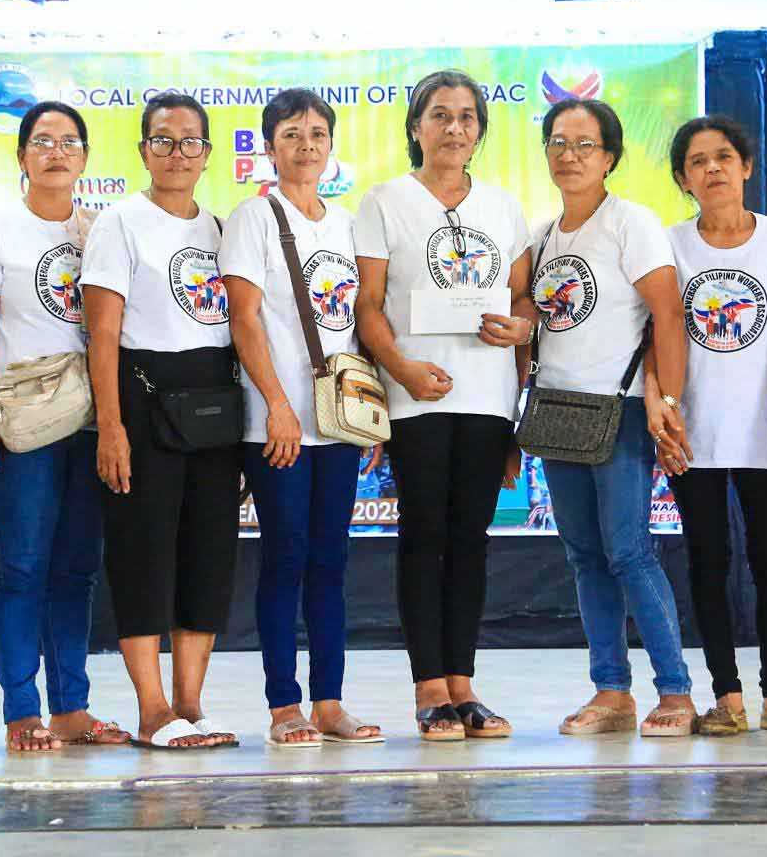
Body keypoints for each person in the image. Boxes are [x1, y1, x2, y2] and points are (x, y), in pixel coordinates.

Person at [354, 71, 534, 741]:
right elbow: (367, 305)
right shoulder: (384, 201)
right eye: (439, 115)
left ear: (480, 129)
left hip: (488, 398)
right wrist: (400, 369)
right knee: (424, 534)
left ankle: (463, 682)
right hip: (415, 396)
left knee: (470, 541)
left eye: (466, 116)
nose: (454, 127)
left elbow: (523, 300)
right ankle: (429, 686)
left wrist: (521, 327)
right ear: (416, 126)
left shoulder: (503, 206)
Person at [0, 101, 131, 753]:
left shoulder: (101, 230)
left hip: (92, 422)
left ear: (85, 157)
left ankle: (71, 709)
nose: (56, 152)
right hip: (24, 423)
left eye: (69, 142)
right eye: (42, 141)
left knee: (77, 569)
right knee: (23, 565)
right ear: (21, 156)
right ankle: (21, 711)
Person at [222, 89, 385, 748]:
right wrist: (277, 405)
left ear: (331, 145)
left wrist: (368, 414)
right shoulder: (254, 217)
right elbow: (244, 319)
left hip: (337, 423)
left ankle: (329, 701)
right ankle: (283, 704)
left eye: (317, 133)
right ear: (269, 147)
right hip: (277, 423)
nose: (306, 145)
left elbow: (360, 320)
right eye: (291, 134)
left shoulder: (347, 224)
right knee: (285, 557)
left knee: (330, 561)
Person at [530, 97, 696, 738]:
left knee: (629, 552)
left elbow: (669, 314)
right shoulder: (544, 235)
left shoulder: (632, 222)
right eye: (558, 142)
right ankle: (611, 690)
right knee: (584, 556)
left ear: (610, 158)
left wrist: (667, 401)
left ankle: (676, 692)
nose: (569, 155)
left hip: (620, 411)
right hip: (558, 412)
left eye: (585, 145)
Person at [83, 92, 244, 751]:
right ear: (143, 150)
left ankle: (189, 704)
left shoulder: (222, 229)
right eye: (163, 140)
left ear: (207, 154)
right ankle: (152, 710)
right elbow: (101, 334)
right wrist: (111, 426)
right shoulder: (120, 223)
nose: (177, 153)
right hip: (143, 398)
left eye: (190, 141)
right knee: (143, 554)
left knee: (208, 555)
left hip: (214, 406)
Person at [661, 115, 767, 737]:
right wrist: (662, 409)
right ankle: (726, 697)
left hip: (766, 434)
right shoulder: (669, 244)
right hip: (693, 433)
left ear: (747, 166)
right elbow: (656, 334)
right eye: (697, 162)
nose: (713, 169)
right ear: (683, 179)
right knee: (707, 561)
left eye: (724, 156)